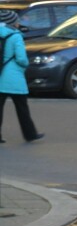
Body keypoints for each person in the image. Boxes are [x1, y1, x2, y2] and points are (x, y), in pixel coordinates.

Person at [0, 8, 43, 144]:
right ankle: (30, 134)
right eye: (17, 20)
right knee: (22, 108)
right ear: (12, 22)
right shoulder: (15, 36)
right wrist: (25, 66)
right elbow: (21, 58)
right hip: (13, 77)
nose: (19, 23)